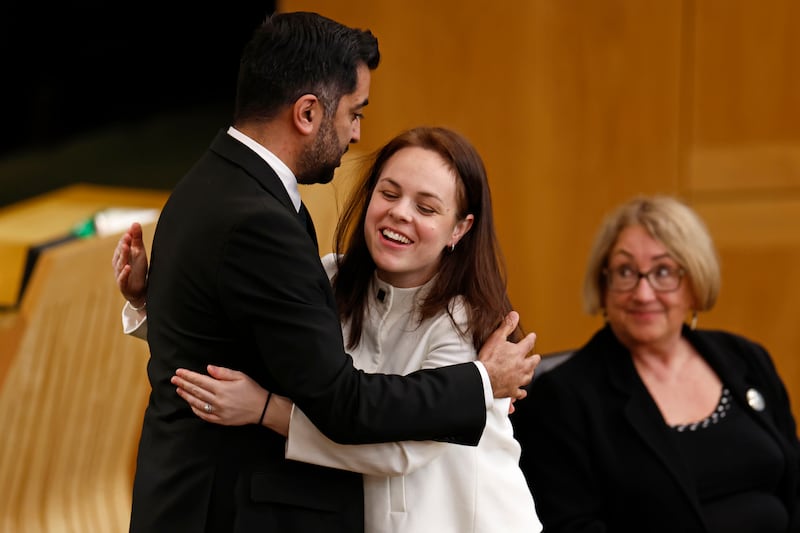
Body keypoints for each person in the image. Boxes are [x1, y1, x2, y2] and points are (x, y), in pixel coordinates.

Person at [112, 11, 538, 533]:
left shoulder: (215, 183)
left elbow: (395, 444)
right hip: (221, 505)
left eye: (427, 207)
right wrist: (480, 383)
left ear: (460, 229)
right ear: (309, 112)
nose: (356, 133)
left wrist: (153, 302)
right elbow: (333, 395)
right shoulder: (298, 248)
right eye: (354, 113)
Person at [512, 195, 800, 533]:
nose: (643, 293)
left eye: (663, 271)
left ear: (694, 282)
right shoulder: (562, 398)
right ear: (604, 285)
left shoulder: (745, 358)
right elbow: (571, 526)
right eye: (625, 272)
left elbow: (794, 485)